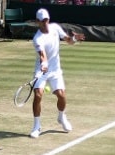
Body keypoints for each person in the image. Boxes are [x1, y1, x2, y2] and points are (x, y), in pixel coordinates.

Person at [28, 8, 85, 139]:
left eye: (46, 20)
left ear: (49, 19)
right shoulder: (37, 38)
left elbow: (68, 40)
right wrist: (44, 63)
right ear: (37, 22)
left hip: (55, 70)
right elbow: (42, 55)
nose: (45, 23)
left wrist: (74, 39)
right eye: (42, 21)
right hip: (41, 70)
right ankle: (36, 126)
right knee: (38, 95)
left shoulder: (55, 28)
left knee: (62, 96)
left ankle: (61, 117)